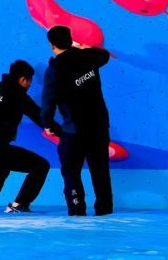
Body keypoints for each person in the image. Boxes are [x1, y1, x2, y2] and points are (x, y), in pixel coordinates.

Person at [40, 25, 113, 216]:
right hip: (99, 125)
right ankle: (104, 208)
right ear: (71, 39)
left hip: (75, 129)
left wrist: (47, 123)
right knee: (100, 169)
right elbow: (104, 55)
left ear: (52, 45)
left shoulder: (55, 68)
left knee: (71, 170)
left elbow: (48, 101)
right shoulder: (89, 56)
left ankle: (76, 206)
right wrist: (82, 48)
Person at [0, 60, 54, 213]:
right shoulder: (18, 96)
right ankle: (19, 204)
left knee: (0, 168)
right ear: (23, 79)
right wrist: (65, 134)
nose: (29, 86)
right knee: (41, 166)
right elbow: (42, 119)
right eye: (29, 81)